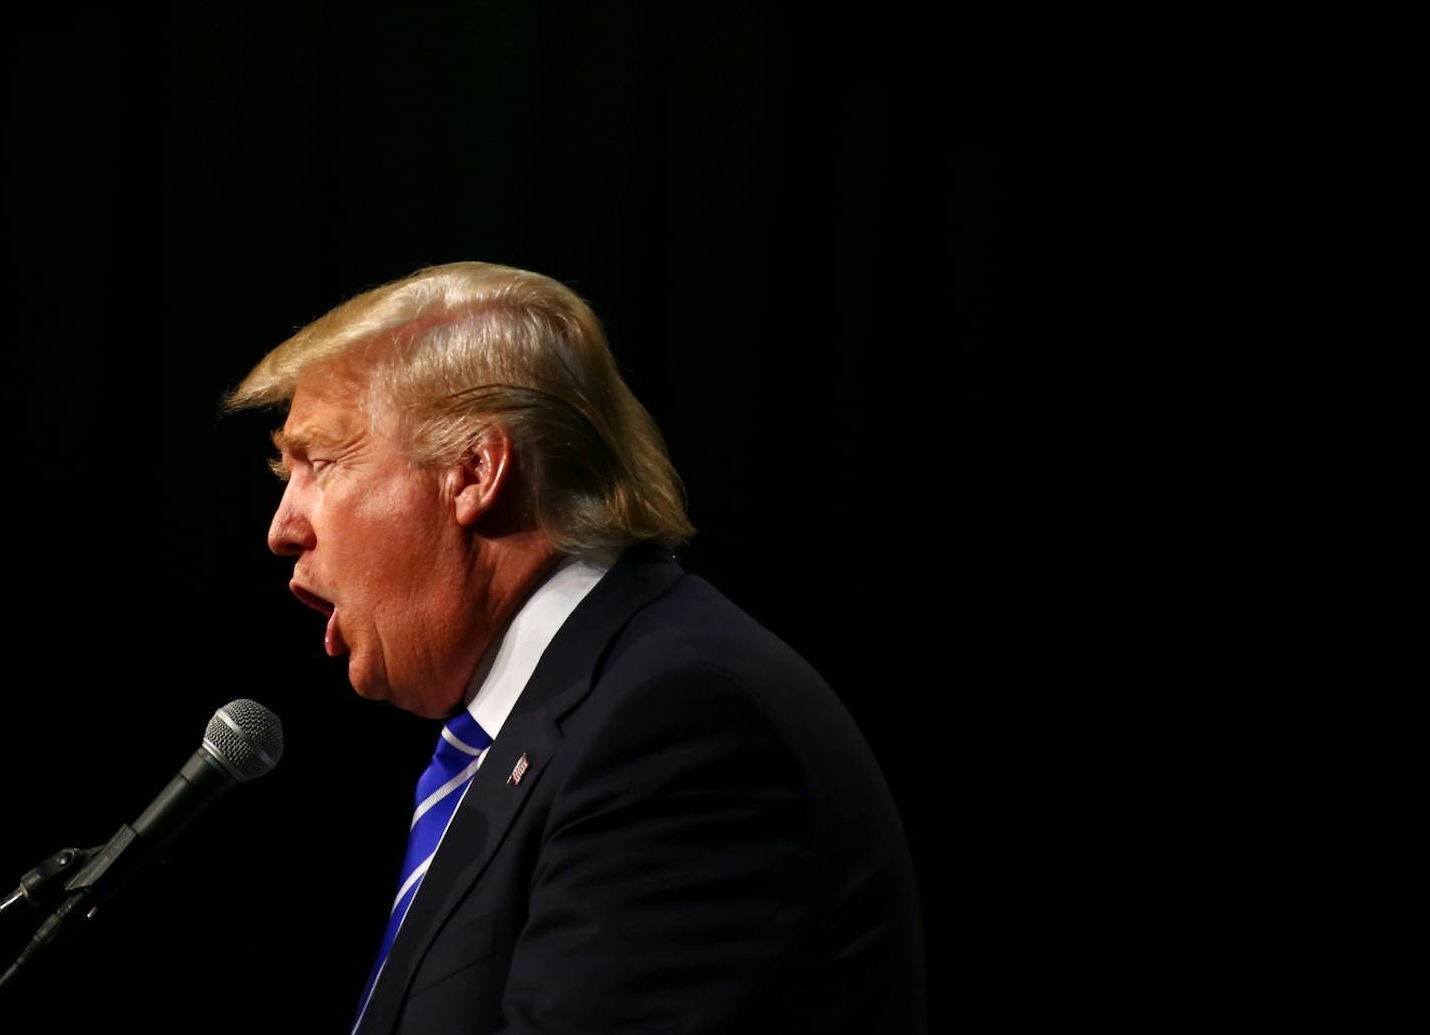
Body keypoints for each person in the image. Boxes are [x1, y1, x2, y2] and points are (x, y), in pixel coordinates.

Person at [225, 262, 925, 1034]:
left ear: (474, 471)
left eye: (320, 462)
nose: (282, 528)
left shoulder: (679, 725)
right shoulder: (545, 724)